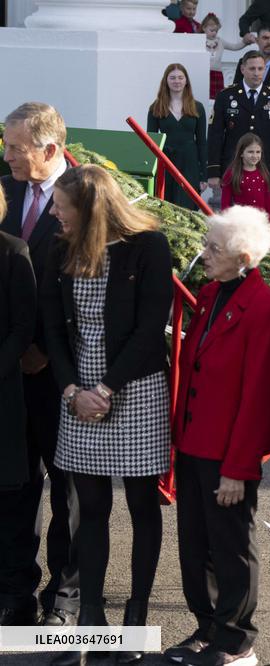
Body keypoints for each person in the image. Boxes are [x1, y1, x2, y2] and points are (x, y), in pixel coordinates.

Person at [40, 165, 173, 665]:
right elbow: (53, 328)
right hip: (78, 392)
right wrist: (74, 388)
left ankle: (134, 622)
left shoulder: (148, 247)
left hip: (134, 389)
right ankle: (93, 622)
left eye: (61, 206)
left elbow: (149, 328)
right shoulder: (60, 248)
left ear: (91, 208)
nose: (54, 213)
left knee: (141, 506)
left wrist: (106, 387)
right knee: (90, 509)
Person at [167, 205, 270, 666]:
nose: (205, 253)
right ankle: (207, 626)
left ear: (243, 254)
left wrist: (238, 470)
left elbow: (259, 396)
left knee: (232, 548)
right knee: (196, 546)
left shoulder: (262, 308)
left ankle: (236, 642)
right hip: (195, 443)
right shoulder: (212, 292)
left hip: (227, 454)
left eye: (213, 247)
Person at [0, 102, 80, 630]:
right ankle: (15, 593)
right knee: (15, 484)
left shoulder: (85, 197)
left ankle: (66, 594)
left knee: (67, 488)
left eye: (15, 148)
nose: (6, 156)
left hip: (61, 371)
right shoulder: (4, 190)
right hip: (9, 369)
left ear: (49, 150)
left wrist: (47, 350)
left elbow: (88, 289)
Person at [0, 194, 37, 626]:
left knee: (8, 501)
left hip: (3, 391)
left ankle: (14, 594)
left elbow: (22, 325)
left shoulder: (13, 251)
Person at [207, 50, 270, 204]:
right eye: (252, 69)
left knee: (263, 217)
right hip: (233, 169)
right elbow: (215, 135)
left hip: (264, 168)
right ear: (242, 69)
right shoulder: (226, 96)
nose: (256, 73)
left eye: (260, 69)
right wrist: (214, 170)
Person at [147, 63, 208, 210]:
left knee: (188, 207)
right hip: (166, 163)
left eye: (181, 77)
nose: (177, 81)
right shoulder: (156, 107)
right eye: (172, 78)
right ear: (166, 81)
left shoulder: (197, 107)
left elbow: (202, 142)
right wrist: (151, 174)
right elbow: (150, 143)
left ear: (186, 81)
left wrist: (203, 176)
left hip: (190, 163)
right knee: (166, 207)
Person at [222, 133, 270, 227]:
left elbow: (268, 202)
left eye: (258, 152)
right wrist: (227, 223)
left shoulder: (263, 173)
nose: (255, 155)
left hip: (261, 224)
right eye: (250, 152)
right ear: (241, 153)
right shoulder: (232, 173)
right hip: (240, 223)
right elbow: (225, 203)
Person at [233, 26, 270, 92]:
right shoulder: (244, 61)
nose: (269, 42)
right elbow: (236, 89)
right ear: (257, 40)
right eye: (265, 38)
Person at [202, 13, 244, 101]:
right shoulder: (200, 41)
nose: (214, 33)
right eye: (211, 30)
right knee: (205, 94)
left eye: (216, 31)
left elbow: (234, 47)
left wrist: (245, 42)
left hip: (217, 73)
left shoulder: (220, 41)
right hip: (205, 72)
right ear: (204, 28)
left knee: (217, 96)